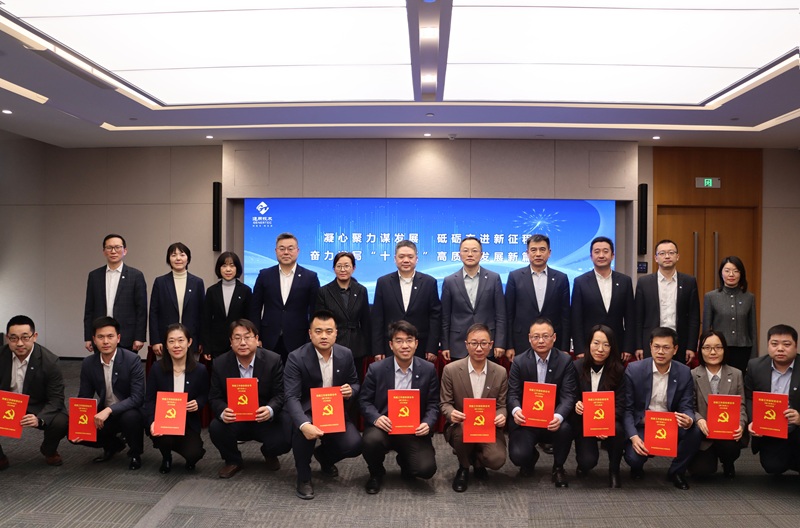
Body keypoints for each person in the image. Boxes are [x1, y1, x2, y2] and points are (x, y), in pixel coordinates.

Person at [283, 310, 363, 500]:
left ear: (336, 333)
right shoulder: (296, 357)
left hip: (334, 411)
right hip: (307, 410)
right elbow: (291, 396)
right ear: (310, 334)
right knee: (303, 431)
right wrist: (304, 424)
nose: (324, 336)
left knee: (355, 445)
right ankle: (303, 477)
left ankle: (324, 457)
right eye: (318, 331)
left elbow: (355, 383)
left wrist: (351, 390)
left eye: (329, 331)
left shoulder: (345, 354)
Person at [360, 320, 439, 494]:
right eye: (399, 341)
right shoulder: (376, 369)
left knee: (426, 469)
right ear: (391, 345)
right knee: (370, 440)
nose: (404, 346)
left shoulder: (428, 369)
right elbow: (364, 401)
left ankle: (405, 461)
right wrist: (376, 418)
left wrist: (427, 423)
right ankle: (376, 473)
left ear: (416, 344)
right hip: (384, 428)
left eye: (409, 340)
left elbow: (434, 404)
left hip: (413, 430)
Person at [208, 319, 291, 479]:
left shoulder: (273, 360)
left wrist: (270, 409)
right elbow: (214, 397)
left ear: (257, 339)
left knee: (287, 433)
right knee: (216, 427)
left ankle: (269, 452)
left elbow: (280, 394)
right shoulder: (220, 363)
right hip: (236, 419)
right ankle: (233, 460)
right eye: (237, 338)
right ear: (231, 342)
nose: (243, 342)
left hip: (264, 418)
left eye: (247, 337)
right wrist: (223, 411)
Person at [623, 327, 702, 489]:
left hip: (671, 424)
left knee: (694, 431)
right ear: (650, 347)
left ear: (675, 349)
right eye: (656, 346)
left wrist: (688, 419)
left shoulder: (684, 372)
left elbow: (687, 405)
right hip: (643, 425)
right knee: (634, 458)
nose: (660, 352)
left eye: (666, 347)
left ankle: (676, 472)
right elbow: (627, 409)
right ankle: (637, 467)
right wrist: (633, 437)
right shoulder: (634, 370)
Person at [507, 318, 577, 487]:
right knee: (518, 456)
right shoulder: (519, 361)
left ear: (554, 337)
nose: (540, 341)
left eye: (545, 336)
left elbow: (568, 396)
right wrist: (516, 410)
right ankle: (530, 457)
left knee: (565, 428)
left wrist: (558, 416)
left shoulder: (565, 361)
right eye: (536, 336)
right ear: (529, 338)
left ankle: (558, 467)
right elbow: (512, 393)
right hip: (527, 420)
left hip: (552, 420)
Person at [440, 323, 508, 492]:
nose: (479, 348)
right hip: (461, 426)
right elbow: (444, 404)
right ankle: (463, 467)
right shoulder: (451, 370)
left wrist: (501, 415)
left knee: (497, 459)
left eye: (484, 343)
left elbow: (502, 405)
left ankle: (476, 460)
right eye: (474, 343)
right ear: (466, 344)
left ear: (491, 345)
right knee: (463, 431)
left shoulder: (500, 372)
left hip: (487, 427)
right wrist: (451, 413)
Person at [73, 316, 145, 470]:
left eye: (110, 336)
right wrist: (78, 424)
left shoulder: (132, 360)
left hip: (128, 409)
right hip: (105, 412)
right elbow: (84, 397)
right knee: (71, 431)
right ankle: (114, 445)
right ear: (94, 340)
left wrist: (109, 410)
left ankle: (135, 453)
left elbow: (137, 398)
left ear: (118, 338)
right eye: (100, 337)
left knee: (131, 418)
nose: (105, 341)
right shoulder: (88, 363)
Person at [0, 315, 68, 470]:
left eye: (25, 337)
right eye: (13, 338)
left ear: (34, 336)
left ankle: (49, 450)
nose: (19, 343)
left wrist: (40, 418)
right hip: (5, 403)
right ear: (7, 338)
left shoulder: (50, 361)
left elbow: (56, 399)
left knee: (61, 421)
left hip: (37, 405)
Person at [144, 323, 209, 474]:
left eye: (181, 340)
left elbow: (205, 394)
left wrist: (198, 403)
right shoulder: (157, 368)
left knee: (195, 454)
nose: (176, 345)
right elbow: (150, 399)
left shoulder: (200, 370)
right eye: (171, 341)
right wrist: (152, 422)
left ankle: (188, 454)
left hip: (188, 422)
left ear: (189, 342)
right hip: (164, 421)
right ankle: (166, 457)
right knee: (163, 437)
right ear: (166, 345)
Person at [570, 324, 626, 488]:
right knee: (588, 461)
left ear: (612, 348)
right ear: (589, 344)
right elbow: (570, 394)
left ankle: (614, 470)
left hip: (608, 422)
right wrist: (576, 403)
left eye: (606, 345)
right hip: (583, 422)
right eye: (596, 343)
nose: (600, 349)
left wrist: (604, 423)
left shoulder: (618, 370)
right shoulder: (576, 366)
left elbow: (621, 405)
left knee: (618, 429)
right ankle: (583, 464)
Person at [250, 233, 320, 363]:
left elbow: (315, 311)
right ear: (276, 251)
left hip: (299, 338)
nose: (286, 252)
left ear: (297, 251)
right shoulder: (264, 275)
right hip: (268, 338)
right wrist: (255, 336)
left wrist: (310, 339)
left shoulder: (310, 277)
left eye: (290, 248)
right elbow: (255, 308)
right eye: (282, 249)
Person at [744, 324, 800, 475]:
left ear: (796, 346)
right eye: (774, 344)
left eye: (786, 344)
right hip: (770, 430)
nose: (780, 349)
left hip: (797, 428)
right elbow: (748, 397)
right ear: (768, 345)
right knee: (773, 467)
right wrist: (754, 420)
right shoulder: (755, 366)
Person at [689, 330, 746, 478]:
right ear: (700, 350)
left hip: (727, 433)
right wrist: (699, 419)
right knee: (701, 472)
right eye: (707, 348)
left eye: (718, 347)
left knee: (731, 448)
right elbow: (689, 406)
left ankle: (728, 462)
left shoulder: (736, 374)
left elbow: (741, 406)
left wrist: (741, 424)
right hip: (704, 434)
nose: (713, 352)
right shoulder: (692, 374)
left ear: (724, 349)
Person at [372, 240, 441, 361]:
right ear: (395, 259)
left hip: (420, 345)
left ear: (416, 259)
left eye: (410, 257)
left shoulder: (429, 282)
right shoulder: (383, 282)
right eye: (401, 257)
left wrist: (432, 347)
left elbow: (435, 317)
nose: (406, 260)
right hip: (391, 345)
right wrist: (378, 349)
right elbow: (377, 318)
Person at [634, 239, 700, 364]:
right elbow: (638, 317)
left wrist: (691, 347)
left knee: (678, 374)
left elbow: (694, 317)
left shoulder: (689, 282)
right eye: (662, 253)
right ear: (656, 258)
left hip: (679, 343)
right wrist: (638, 346)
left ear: (677, 256)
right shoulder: (644, 282)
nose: (667, 256)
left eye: (671, 253)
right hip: (652, 343)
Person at [506, 234, 571, 360]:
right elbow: (509, 314)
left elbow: (565, 316)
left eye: (542, 249)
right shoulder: (515, 277)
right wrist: (509, 345)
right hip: (522, 341)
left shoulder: (561, 278)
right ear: (527, 253)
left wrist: (565, 347)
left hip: (553, 343)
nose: (538, 254)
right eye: (533, 250)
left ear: (549, 252)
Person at [441, 237, 506, 362]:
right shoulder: (449, 281)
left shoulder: (494, 278)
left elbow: (500, 315)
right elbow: (445, 317)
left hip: (487, 343)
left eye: (474, 251)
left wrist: (500, 343)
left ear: (481, 254)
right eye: (465, 251)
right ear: (459, 254)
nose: (470, 254)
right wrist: (445, 345)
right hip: (458, 344)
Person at [572, 236, 636, 361]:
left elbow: (630, 317)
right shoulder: (580, 282)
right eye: (597, 252)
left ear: (612, 256)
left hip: (617, 345)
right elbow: (576, 319)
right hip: (590, 346)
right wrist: (579, 349)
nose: (601, 255)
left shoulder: (625, 281)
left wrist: (628, 347)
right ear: (591, 256)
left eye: (605, 251)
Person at [83, 234, 147, 353]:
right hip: (100, 335)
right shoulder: (94, 276)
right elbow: (89, 309)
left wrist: (139, 337)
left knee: (126, 364)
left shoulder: (136, 276)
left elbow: (141, 310)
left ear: (125, 251)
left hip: (127, 336)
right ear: (104, 251)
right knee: (101, 365)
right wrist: (88, 337)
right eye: (109, 248)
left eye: (117, 247)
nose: (113, 251)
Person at [315, 251, 372, 379]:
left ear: (353, 268)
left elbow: (366, 321)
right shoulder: (324, 291)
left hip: (356, 345)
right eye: (339, 266)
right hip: (332, 343)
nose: (343, 270)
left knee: (355, 382)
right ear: (334, 268)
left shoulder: (361, 290)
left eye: (347, 266)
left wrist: (369, 348)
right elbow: (319, 321)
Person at [149, 242, 205, 357]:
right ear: (168, 259)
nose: (178, 258)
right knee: (165, 368)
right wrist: (155, 340)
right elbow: (153, 313)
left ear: (188, 259)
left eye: (182, 255)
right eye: (173, 255)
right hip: (165, 340)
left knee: (191, 368)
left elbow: (202, 314)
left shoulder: (197, 282)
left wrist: (201, 340)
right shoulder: (160, 282)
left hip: (191, 340)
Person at [703, 256, 757, 374]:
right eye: (727, 271)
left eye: (736, 271)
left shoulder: (749, 297)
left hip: (743, 350)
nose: (731, 274)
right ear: (721, 273)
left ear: (741, 274)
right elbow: (706, 329)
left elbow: (752, 330)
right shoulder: (711, 297)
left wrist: (753, 357)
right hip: (719, 349)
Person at [203, 251, 253, 360]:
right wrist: (207, 347)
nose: (228, 269)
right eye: (224, 266)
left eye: (232, 265)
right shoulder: (211, 291)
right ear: (219, 268)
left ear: (237, 268)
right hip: (217, 344)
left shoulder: (245, 291)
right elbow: (206, 321)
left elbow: (250, 319)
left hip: (240, 343)